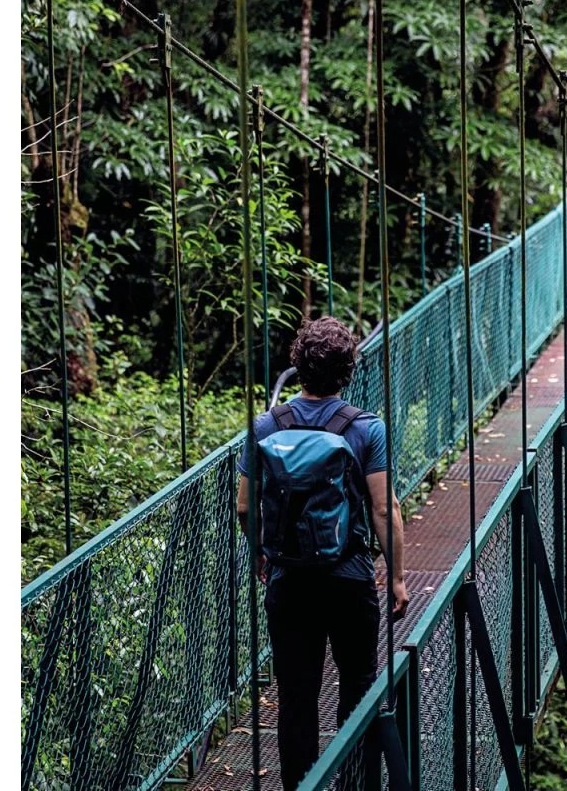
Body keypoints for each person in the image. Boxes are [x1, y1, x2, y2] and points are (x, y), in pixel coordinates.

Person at [237, 316, 408, 790]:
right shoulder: (366, 428)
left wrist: (261, 553)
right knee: (357, 687)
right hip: (349, 576)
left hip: (289, 578)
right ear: (347, 371)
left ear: (298, 365)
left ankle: (301, 786)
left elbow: (245, 505)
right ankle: (354, 783)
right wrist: (396, 577)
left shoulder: (265, 425)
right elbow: (384, 508)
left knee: (297, 696)